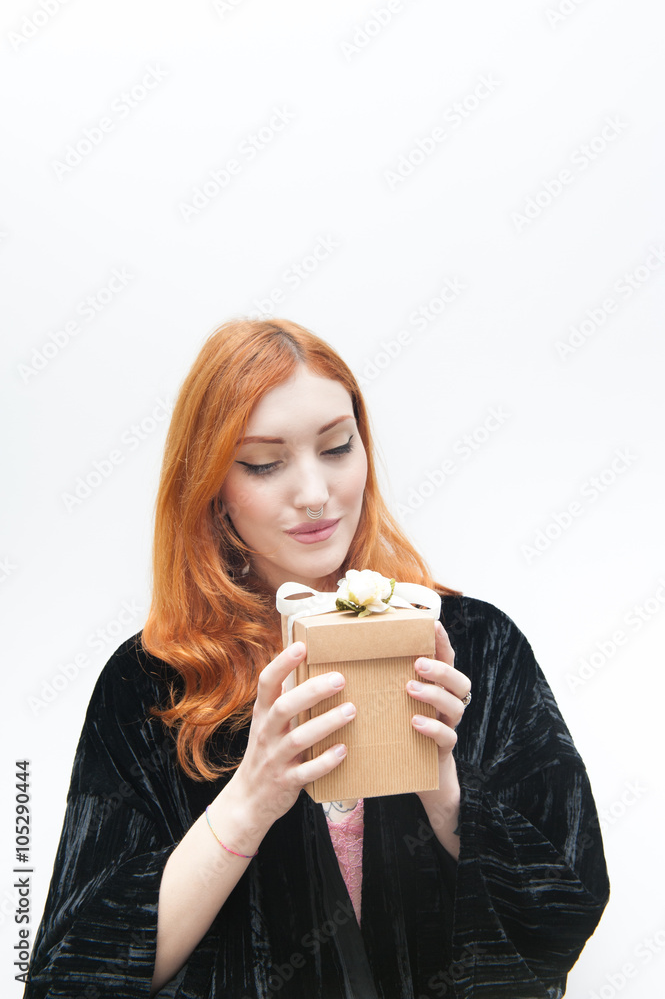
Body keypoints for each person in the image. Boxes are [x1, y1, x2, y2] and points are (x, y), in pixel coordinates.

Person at [24, 317, 610, 999]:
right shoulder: (154, 684)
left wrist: (442, 788)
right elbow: (74, 978)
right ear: (212, 487)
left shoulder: (474, 645)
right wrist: (251, 797)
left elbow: (563, 913)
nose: (314, 493)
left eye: (336, 447)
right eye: (264, 463)